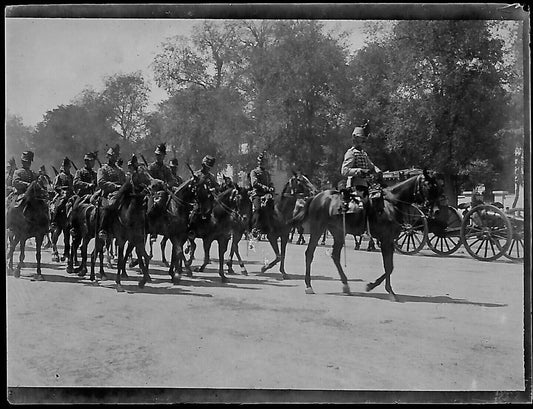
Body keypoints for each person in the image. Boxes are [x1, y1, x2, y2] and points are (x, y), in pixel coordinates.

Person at [340, 125, 382, 200]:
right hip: (354, 187)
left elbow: (371, 166)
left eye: (364, 139)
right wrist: (359, 171)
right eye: (361, 139)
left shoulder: (363, 154)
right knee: (358, 207)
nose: (363, 142)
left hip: (365, 186)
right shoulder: (351, 153)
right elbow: (344, 170)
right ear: (355, 139)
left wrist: (378, 171)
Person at [96, 145, 126, 240]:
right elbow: (101, 182)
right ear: (108, 156)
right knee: (110, 205)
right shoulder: (103, 169)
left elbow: (124, 182)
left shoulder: (120, 171)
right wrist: (115, 186)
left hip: (120, 194)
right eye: (112, 156)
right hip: (107, 194)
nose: (114, 158)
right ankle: (103, 229)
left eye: (115, 156)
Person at [249, 151, 274, 238]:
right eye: (260, 161)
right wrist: (265, 187)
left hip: (267, 195)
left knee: (273, 208)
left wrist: (271, 187)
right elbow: (254, 183)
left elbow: (270, 183)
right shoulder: (254, 172)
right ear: (258, 162)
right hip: (257, 194)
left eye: (263, 162)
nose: (262, 163)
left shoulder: (267, 173)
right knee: (258, 208)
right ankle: (255, 228)